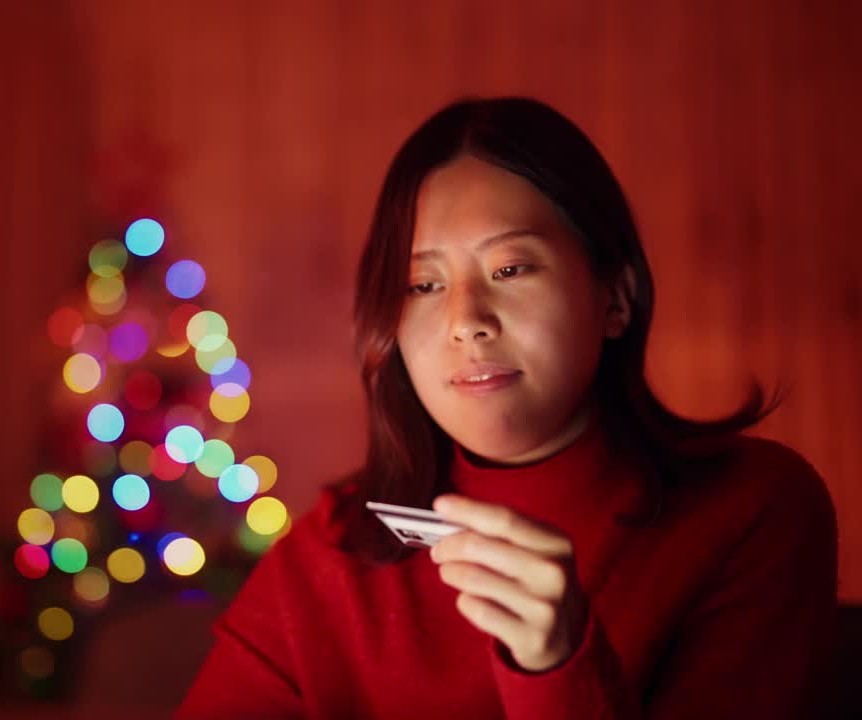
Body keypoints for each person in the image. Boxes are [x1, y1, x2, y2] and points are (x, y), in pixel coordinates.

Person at [176, 97, 839, 719]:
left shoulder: (754, 510)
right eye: (423, 284)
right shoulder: (332, 553)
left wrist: (559, 667)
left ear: (615, 297)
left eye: (512, 269)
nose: (467, 321)